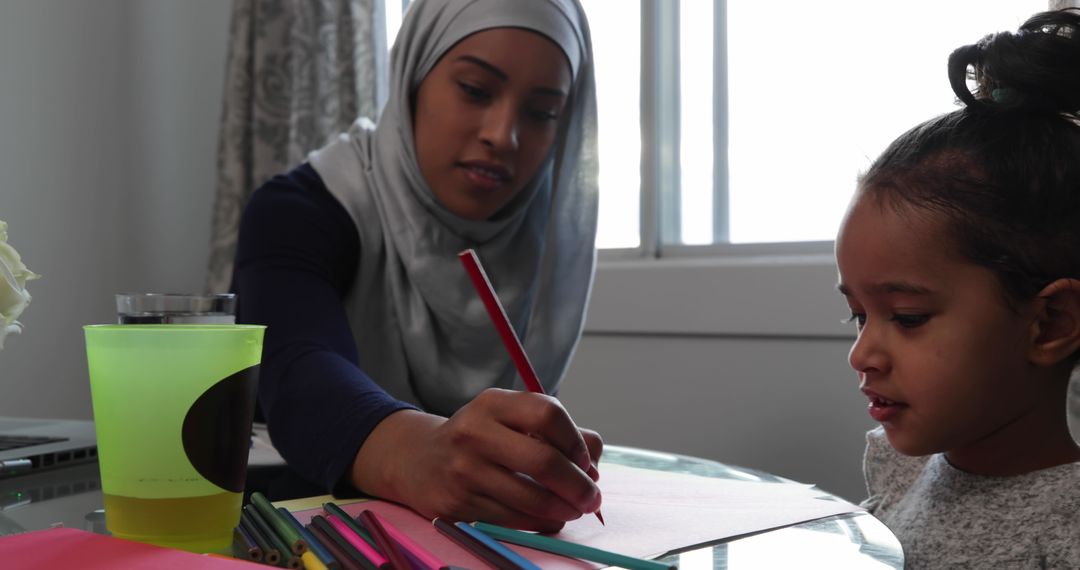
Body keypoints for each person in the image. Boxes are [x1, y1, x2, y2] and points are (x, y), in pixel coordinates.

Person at [233, 0, 602, 532]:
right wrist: (420, 453)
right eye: (475, 90)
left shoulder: (540, 243)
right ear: (413, 79)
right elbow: (298, 370)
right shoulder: (301, 210)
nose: (504, 135)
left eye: (543, 112)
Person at [835, 8, 1080, 568]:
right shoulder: (902, 470)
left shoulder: (1067, 533)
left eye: (908, 317)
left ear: (1051, 324)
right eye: (858, 315)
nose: (862, 353)